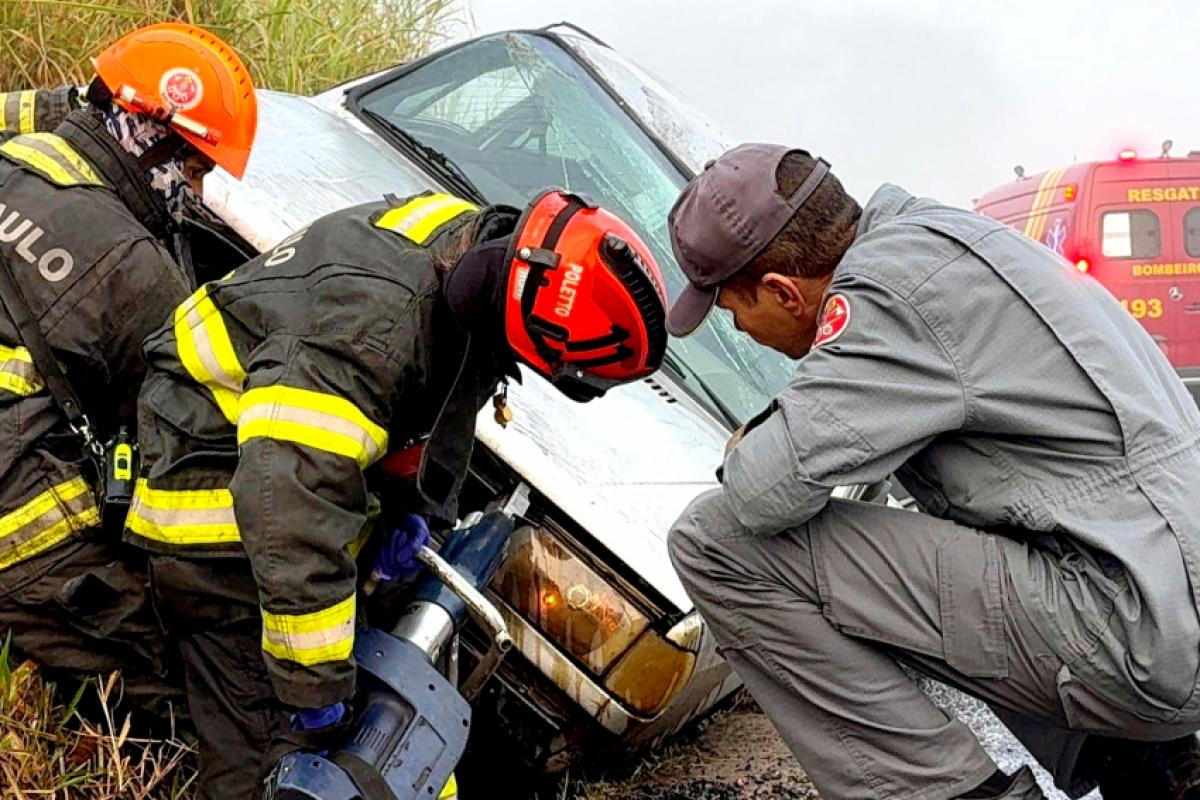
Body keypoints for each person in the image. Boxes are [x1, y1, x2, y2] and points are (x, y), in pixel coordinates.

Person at [663, 143, 1200, 800]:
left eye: (736, 313)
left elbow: (763, 492)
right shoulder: (945, 240)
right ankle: (1149, 771)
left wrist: (747, 441)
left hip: (1138, 629)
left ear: (781, 291)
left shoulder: (890, 297)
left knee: (717, 543)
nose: (744, 332)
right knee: (938, 557)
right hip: (1161, 601)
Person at [124, 188, 668, 799]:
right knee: (272, 770)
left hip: (283, 487)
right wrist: (316, 686)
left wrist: (416, 508)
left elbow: (441, 400)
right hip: (214, 515)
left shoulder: (479, 256)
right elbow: (288, 502)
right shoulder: (371, 329)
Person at [0, 22, 257, 719]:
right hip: (17, 530)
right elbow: (174, 436)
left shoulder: (18, 151)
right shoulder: (137, 273)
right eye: (197, 169)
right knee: (172, 689)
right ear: (153, 136)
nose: (196, 195)